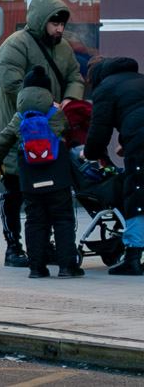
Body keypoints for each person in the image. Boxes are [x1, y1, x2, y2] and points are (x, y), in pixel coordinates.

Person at [0, 0, 86, 267]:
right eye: (54, 23)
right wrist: (49, 104)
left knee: (46, 193)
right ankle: (13, 247)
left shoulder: (64, 48)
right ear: (40, 21)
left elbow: (74, 77)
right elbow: (13, 85)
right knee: (14, 191)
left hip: (51, 135)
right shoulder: (15, 46)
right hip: (20, 130)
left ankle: (43, 247)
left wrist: (69, 100)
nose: (59, 29)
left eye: (62, 24)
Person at [0, 67, 81, 278]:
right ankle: (68, 267)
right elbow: (66, 129)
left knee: (35, 220)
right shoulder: (55, 113)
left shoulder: (19, 117)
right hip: (56, 175)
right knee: (63, 218)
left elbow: (1, 143)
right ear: (48, 91)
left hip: (30, 177)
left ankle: (36, 268)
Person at [84, 56, 144, 276]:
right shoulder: (139, 79)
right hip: (137, 140)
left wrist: (89, 153)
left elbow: (99, 130)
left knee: (137, 195)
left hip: (139, 142)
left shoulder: (105, 89)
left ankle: (133, 257)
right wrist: (126, 144)